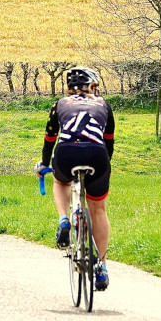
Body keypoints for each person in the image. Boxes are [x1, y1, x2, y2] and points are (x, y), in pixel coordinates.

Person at [35, 66, 116, 291]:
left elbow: (50, 137)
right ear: (91, 86)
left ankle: (64, 219)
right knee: (98, 209)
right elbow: (108, 142)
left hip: (66, 153)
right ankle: (102, 266)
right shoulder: (104, 105)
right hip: (97, 155)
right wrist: (104, 168)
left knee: (61, 182)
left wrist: (44, 164)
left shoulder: (59, 104)